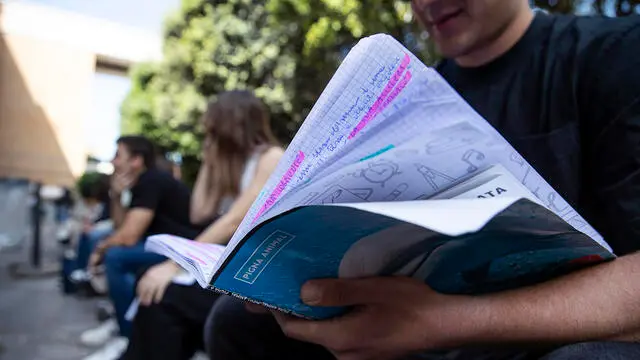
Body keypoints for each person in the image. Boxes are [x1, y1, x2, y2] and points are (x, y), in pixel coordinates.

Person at [205, 1, 640, 360]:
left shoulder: (612, 56)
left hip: (556, 336)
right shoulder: (404, 101)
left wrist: (448, 322)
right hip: (413, 322)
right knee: (238, 322)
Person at [121, 90, 284, 360]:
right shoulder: (231, 163)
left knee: (164, 295)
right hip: (226, 261)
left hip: (253, 269)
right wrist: (208, 164)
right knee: (148, 280)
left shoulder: (271, 157)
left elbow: (234, 221)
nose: (208, 134)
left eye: (212, 128)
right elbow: (198, 213)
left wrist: (176, 264)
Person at [81, 136, 201, 359]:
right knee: (113, 251)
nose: (114, 161)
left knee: (115, 257)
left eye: (118, 155)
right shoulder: (142, 182)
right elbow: (121, 227)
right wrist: (116, 195)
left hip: (184, 250)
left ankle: (128, 337)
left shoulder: (151, 181)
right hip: (164, 246)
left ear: (136, 160)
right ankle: (122, 322)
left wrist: (100, 249)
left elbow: (127, 237)